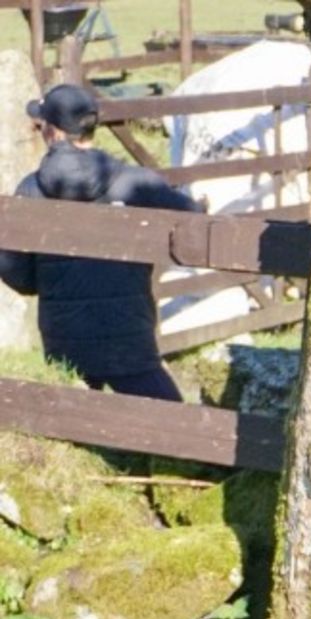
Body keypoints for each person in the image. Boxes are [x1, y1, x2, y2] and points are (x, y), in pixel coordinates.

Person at [0, 83, 203, 401]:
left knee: (74, 422)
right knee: (166, 421)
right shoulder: (136, 184)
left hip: (63, 335)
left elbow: (15, 270)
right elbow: (194, 225)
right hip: (129, 332)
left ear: (53, 133)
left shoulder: (30, 190)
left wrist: (56, 284)